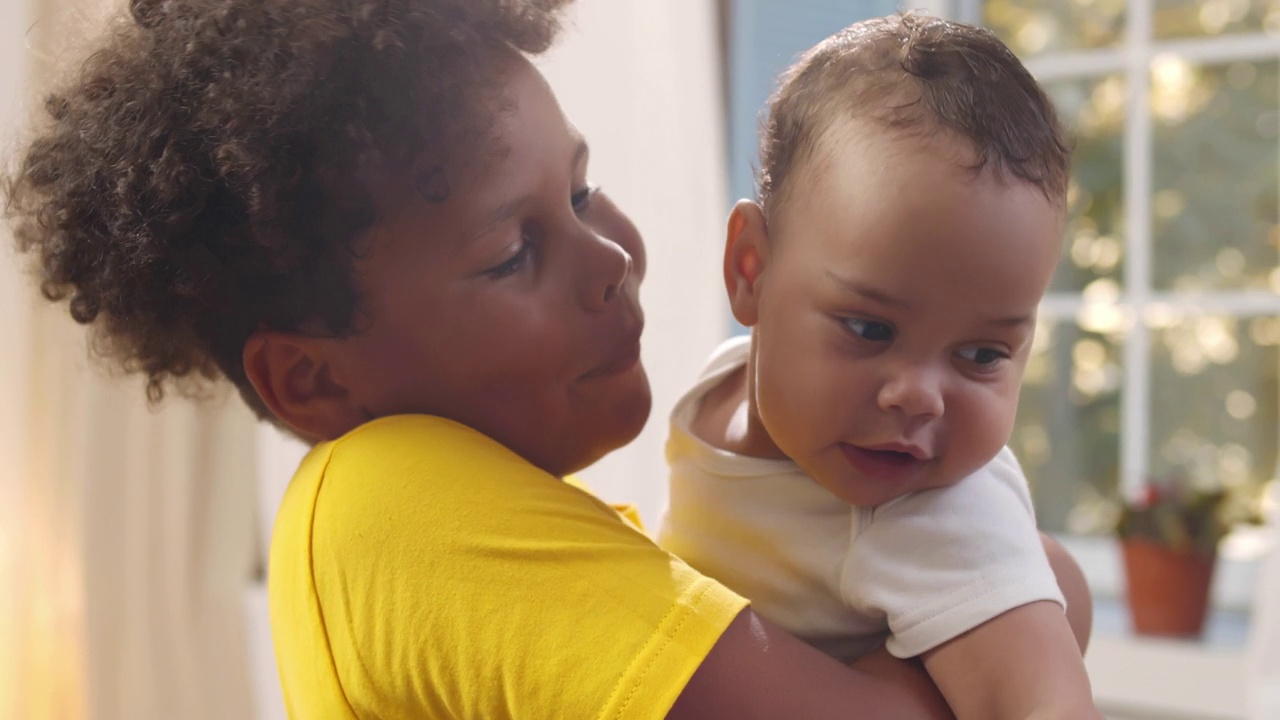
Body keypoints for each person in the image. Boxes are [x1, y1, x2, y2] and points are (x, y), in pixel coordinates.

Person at [4, 1, 1085, 717]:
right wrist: (1043, 598)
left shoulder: (513, 521)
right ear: (315, 378)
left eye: (577, 190)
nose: (611, 255)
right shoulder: (392, 501)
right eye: (514, 251)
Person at [659, 14, 1100, 720]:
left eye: (983, 354)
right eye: (870, 328)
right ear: (751, 272)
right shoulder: (722, 383)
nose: (919, 396)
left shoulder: (936, 511)